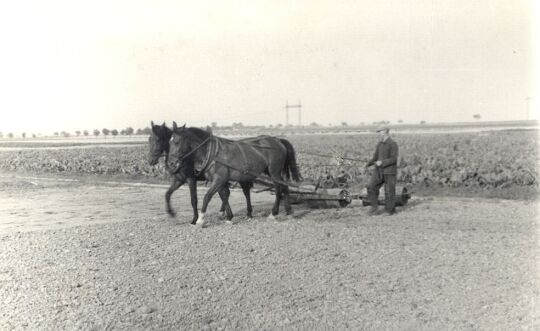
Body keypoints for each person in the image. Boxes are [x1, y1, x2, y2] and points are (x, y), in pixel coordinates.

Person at [365, 126, 399, 215]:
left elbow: (393, 159)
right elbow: (375, 157)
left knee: (389, 191)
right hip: (378, 171)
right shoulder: (380, 144)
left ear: (385, 132)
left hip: (389, 171)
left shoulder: (393, 144)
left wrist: (382, 162)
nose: (379, 134)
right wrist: (368, 164)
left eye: (380, 131)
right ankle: (374, 208)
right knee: (371, 186)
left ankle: (390, 210)